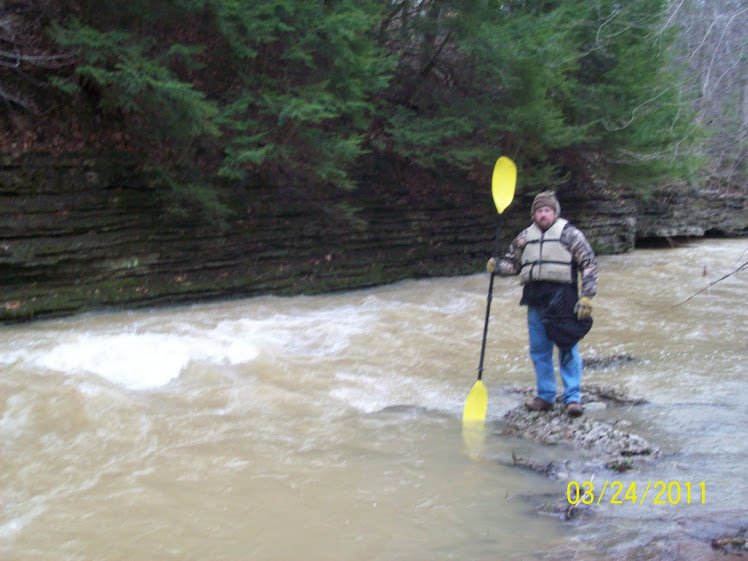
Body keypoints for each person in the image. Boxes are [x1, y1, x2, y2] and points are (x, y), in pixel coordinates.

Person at [487, 191, 598, 417]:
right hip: (535, 299)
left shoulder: (570, 234)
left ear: (555, 212)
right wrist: (497, 267)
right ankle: (545, 396)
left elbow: (588, 263)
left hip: (563, 300)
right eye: (539, 211)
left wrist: (587, 296)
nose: (543, 214)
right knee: (539, 350)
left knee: (567, 347)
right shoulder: (525, 237)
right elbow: (514, 264)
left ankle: (573, 397)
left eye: (547, 210)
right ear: (534, 214)